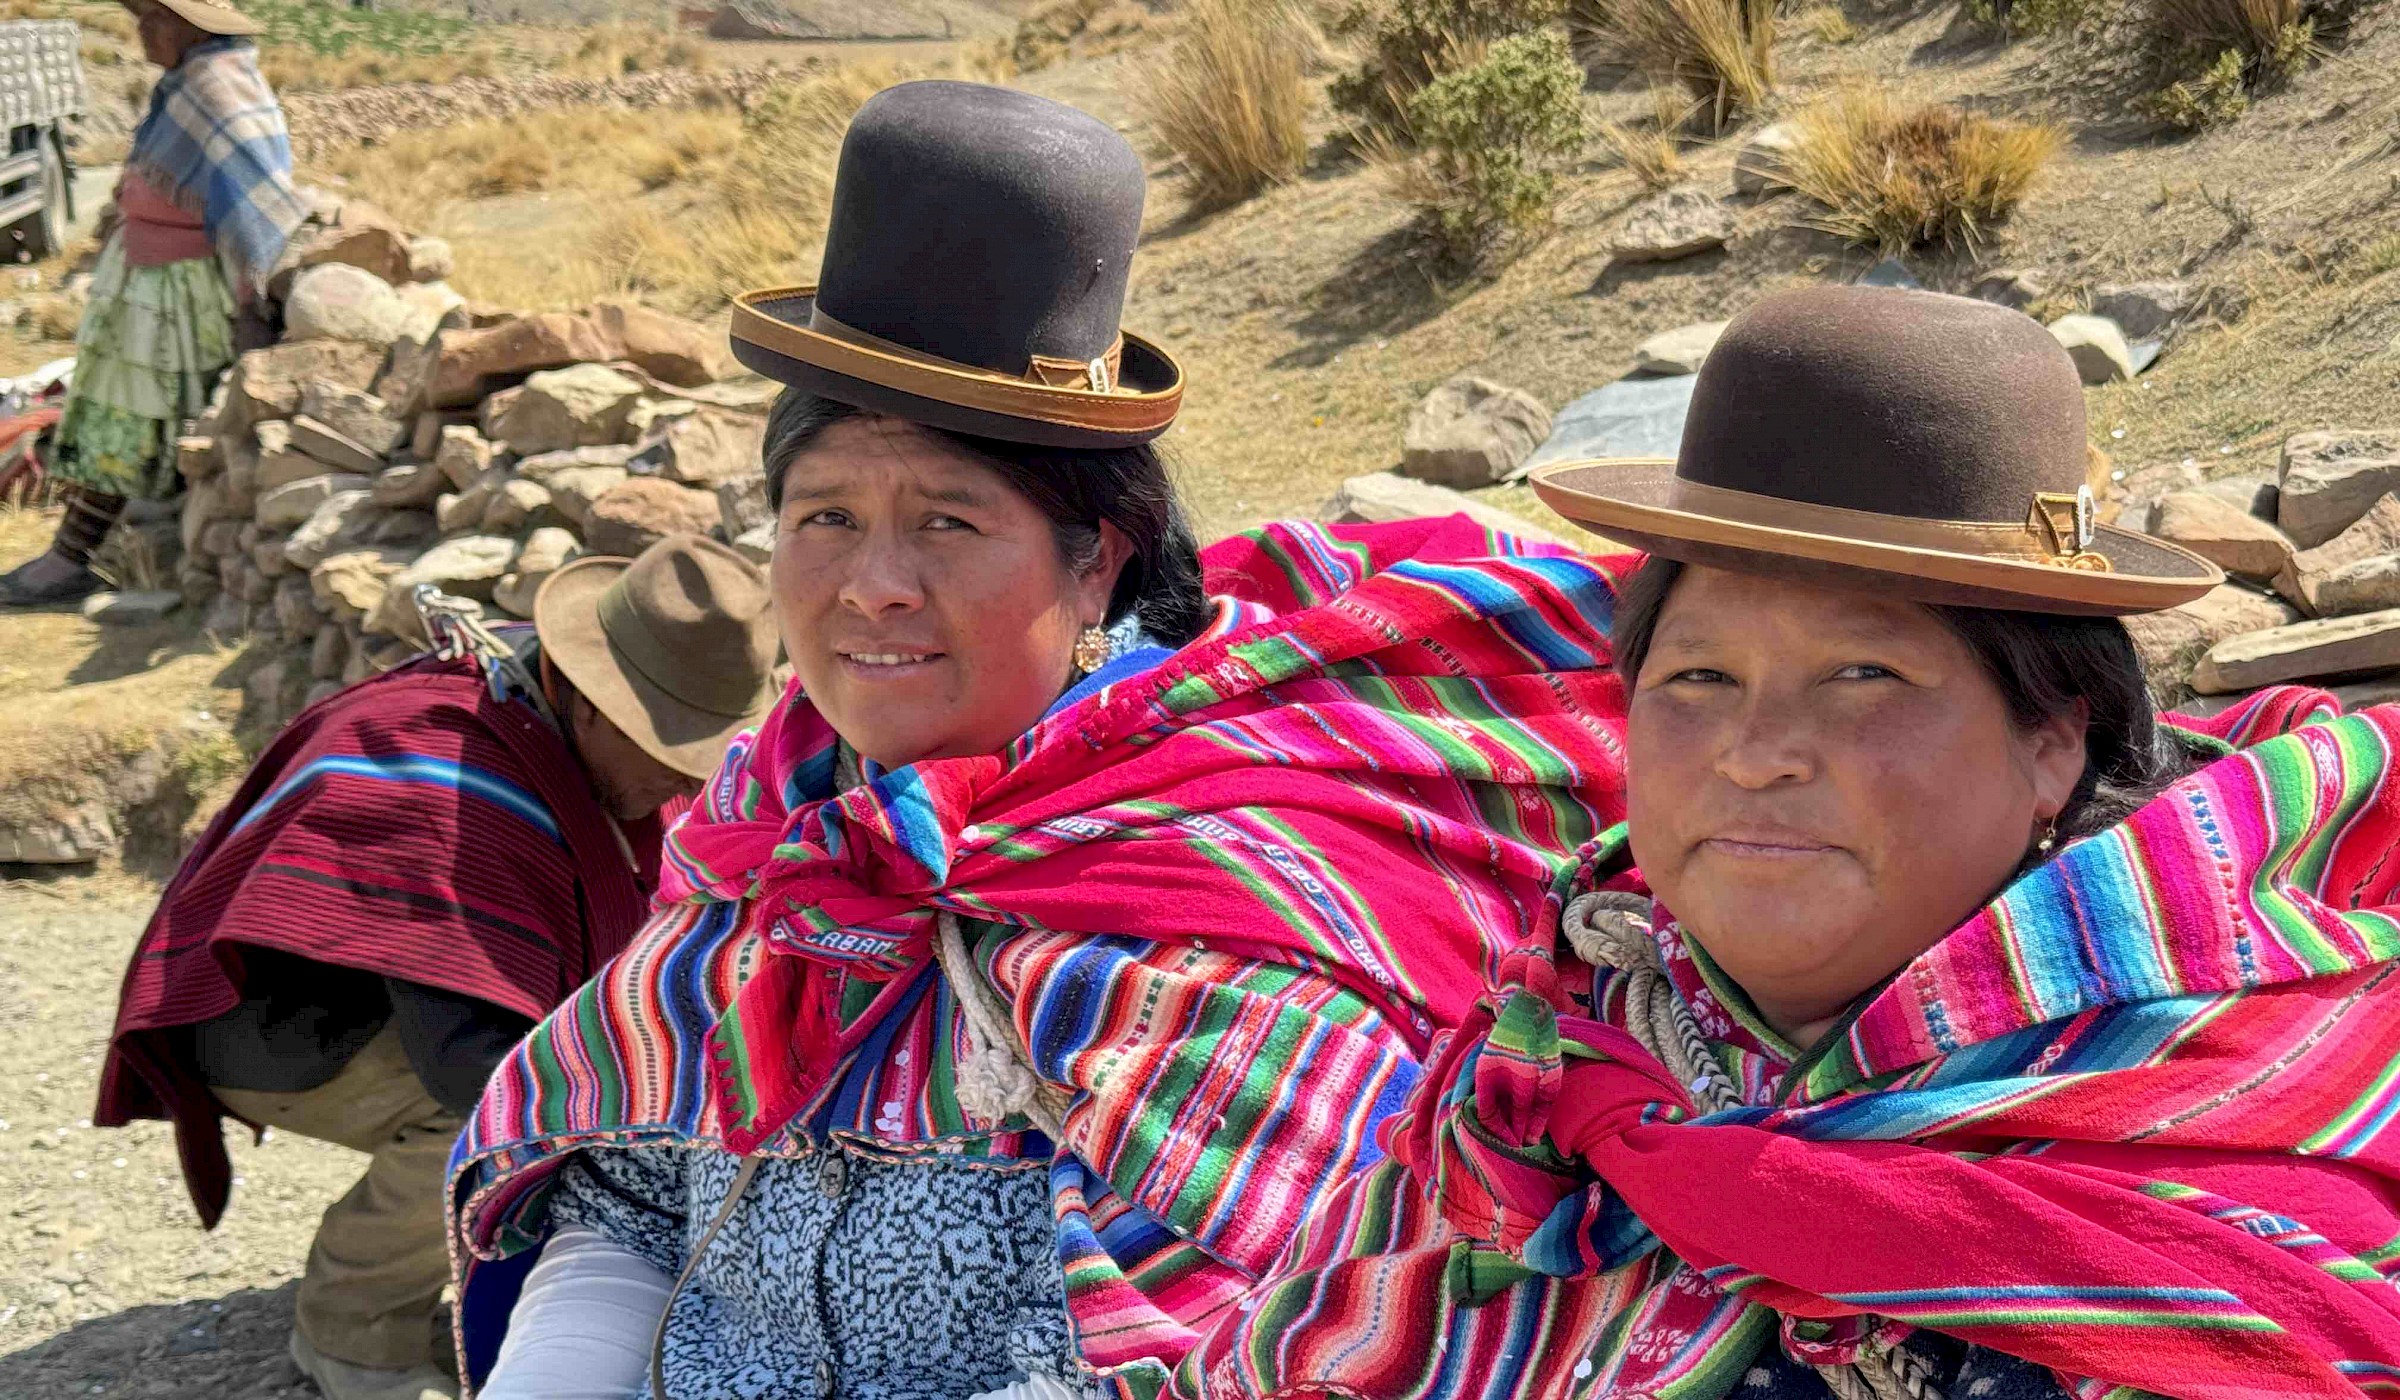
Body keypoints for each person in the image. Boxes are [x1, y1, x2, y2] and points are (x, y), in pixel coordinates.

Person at [444, 80, 1633, 1400]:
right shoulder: (768, 830)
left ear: (1093, 570)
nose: (874, 583)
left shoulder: (1226, 897)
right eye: (823, 517)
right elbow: (627, 1200)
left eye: (949, 522)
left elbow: (1241, 1341)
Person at [1170, 287, 2400, 1400]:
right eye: (1698, 673)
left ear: (2051, 742)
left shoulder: (2216, 1153)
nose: (1756, 751)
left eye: (1865, 672)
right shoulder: (1556, 1043)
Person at [95, 534, 780, 1400]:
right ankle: (353, 1335)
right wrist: (644, 1139)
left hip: (386, 1017)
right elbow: (472, 1067)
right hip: (275, 1032)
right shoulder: (444, 780)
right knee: (496, 1127)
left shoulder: (545, 732)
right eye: (667, 752)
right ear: (595, 705)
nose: (676, 786)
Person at [0, 0, 307, 607]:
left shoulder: (216, 87)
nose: (140, 33)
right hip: (144, 283)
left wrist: (252, 297)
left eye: (149, 20)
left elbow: (251, 198)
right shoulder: (187, 83)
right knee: (117, 414)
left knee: (131, 419)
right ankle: (88, 551)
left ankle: (72, 557)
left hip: (175, 290)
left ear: (185, 26)